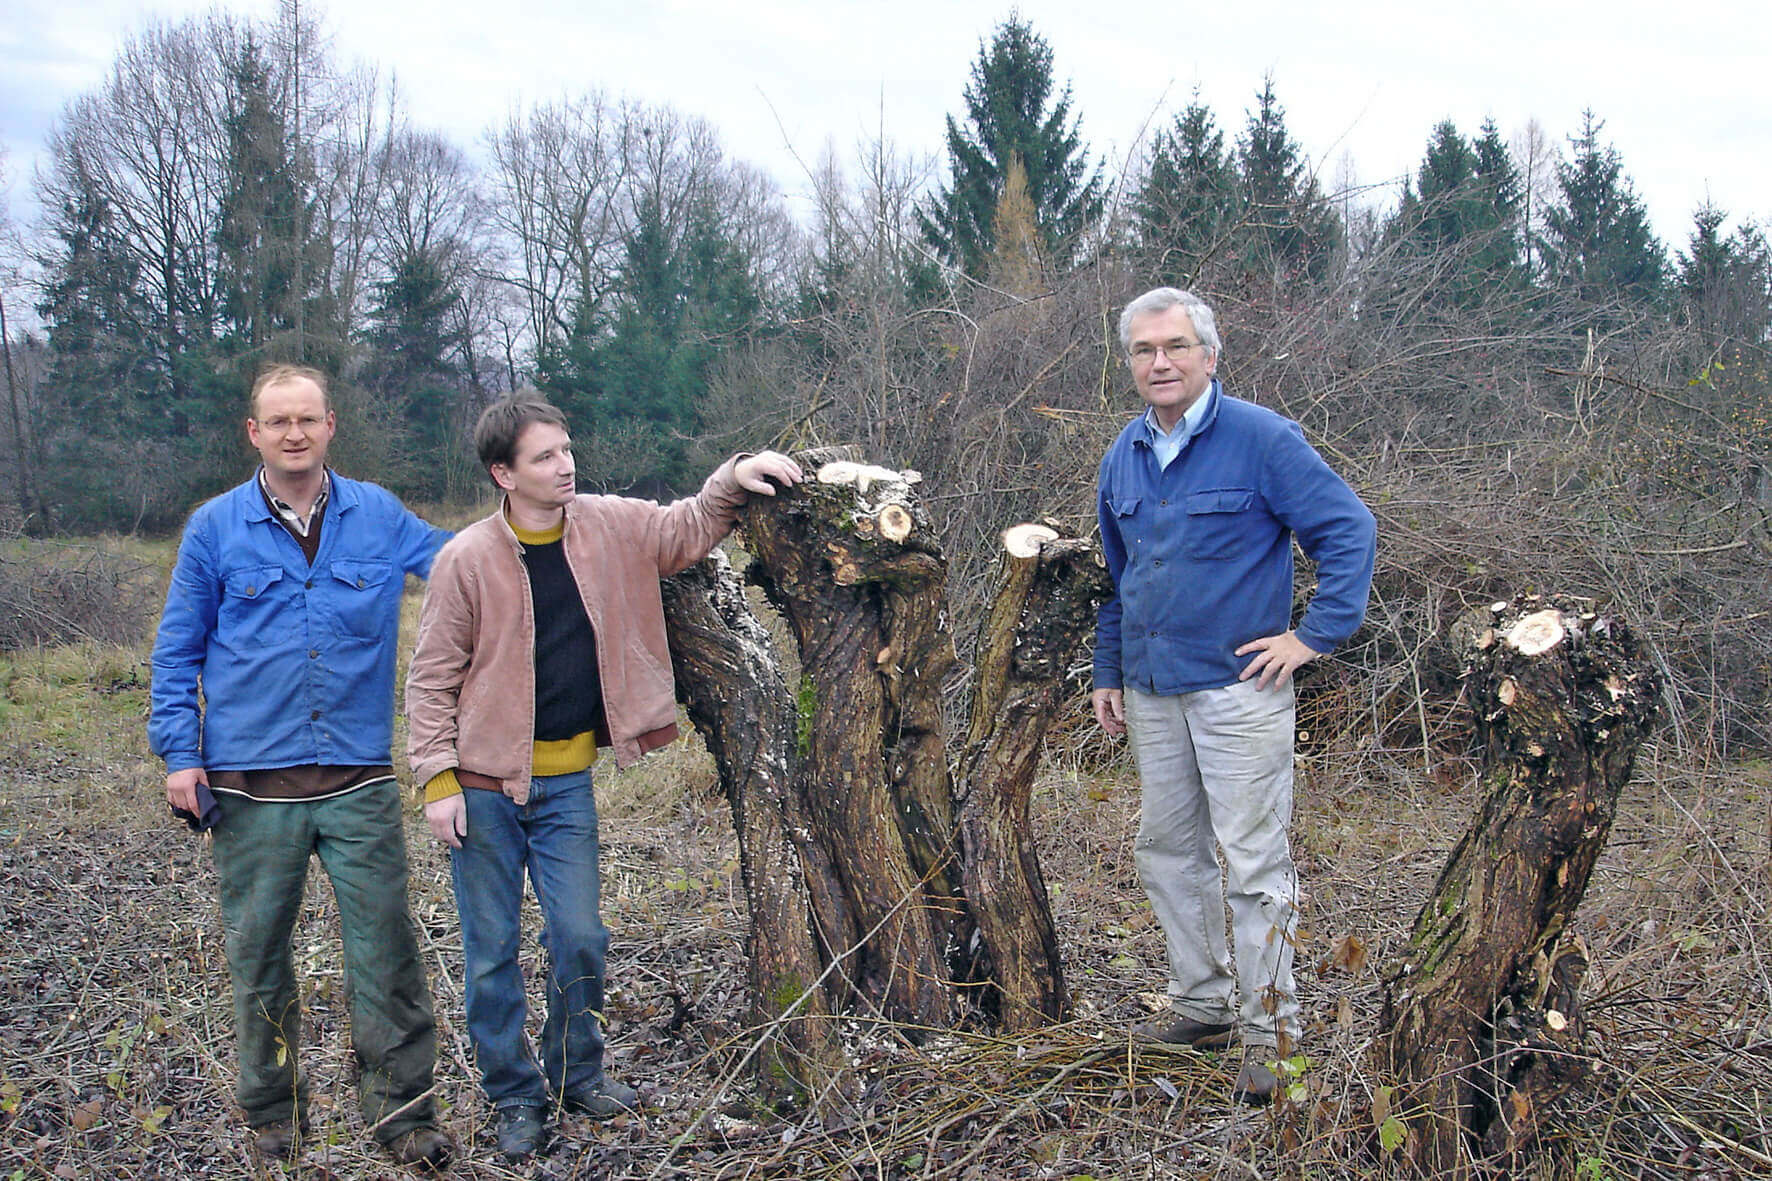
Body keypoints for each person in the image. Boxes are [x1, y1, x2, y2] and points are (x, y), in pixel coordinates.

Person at [405, 394, 802, 1162]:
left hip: (564, 787)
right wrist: (436, 780)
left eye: (566, 449)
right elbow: (430, 679)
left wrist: (736, 474)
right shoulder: (467, 558)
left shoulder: (609, 525)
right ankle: (514, 1096)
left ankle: (574, 1071)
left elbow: (685, 526)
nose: (566, 464)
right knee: (491, 953)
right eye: (545, 456)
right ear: (503, 473)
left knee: (580, 935)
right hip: (482, 791)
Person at [148, 364, 454, 1166]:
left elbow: (464, 563)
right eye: (277, 421)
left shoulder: (378, 514)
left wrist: (559, 530)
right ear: (253, 432)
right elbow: (177, 649)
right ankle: (273, 1111)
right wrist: (181, 754)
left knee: (386, 953)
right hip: (249, 789)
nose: (293, 433)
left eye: (307, 419)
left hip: (358, 781)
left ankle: (405, 1114)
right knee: (259, 956)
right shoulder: (215, 528)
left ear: (330, 426)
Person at [1090, 288, 1376, 1103]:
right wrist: (1108, 670)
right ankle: (1203, 1004)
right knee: (1168, 853)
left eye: (1176, 346)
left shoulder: (1262, 439)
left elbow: (1348, 529)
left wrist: (1313, 635)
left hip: (1239, 692)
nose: (1161, 362)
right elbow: (1119, 579)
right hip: (1152, 692)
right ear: (1131, 363)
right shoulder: (1125, 455)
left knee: (1254, 864)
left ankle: (1272, 1034)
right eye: (1145, 351)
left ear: (1209, 356)